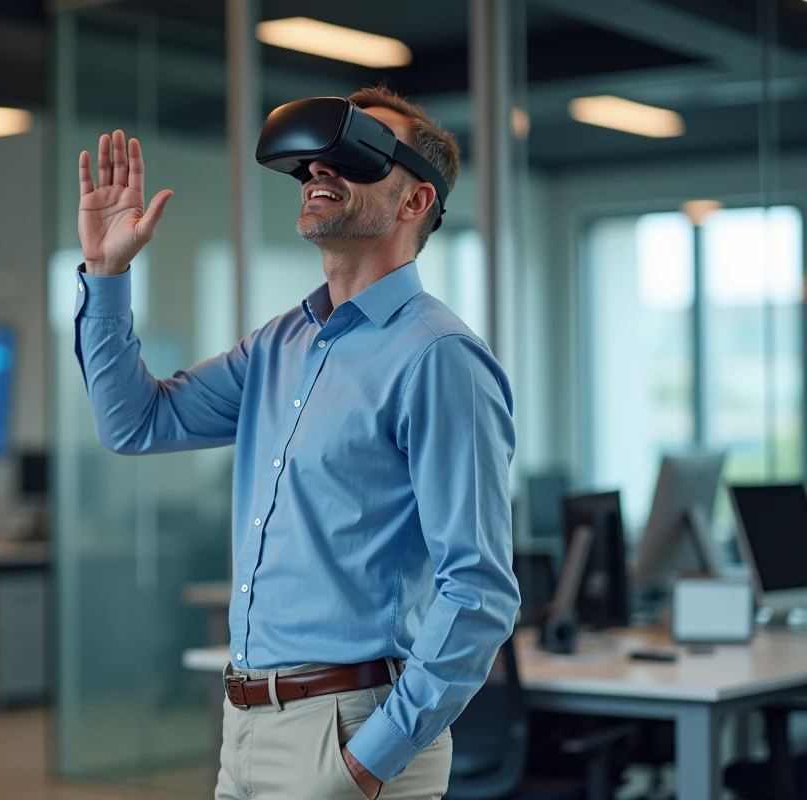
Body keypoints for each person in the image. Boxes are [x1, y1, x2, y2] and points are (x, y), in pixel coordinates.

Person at [71, 85, 520, 800]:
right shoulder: (282, 344)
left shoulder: (438, 358)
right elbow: (135, 423)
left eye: (354, 154)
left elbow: (480, 590)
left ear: (414, 203)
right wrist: (107, 272)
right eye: (313, 161)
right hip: (244, 725)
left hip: (350, 734)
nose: (317, 170)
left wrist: (371, 758)